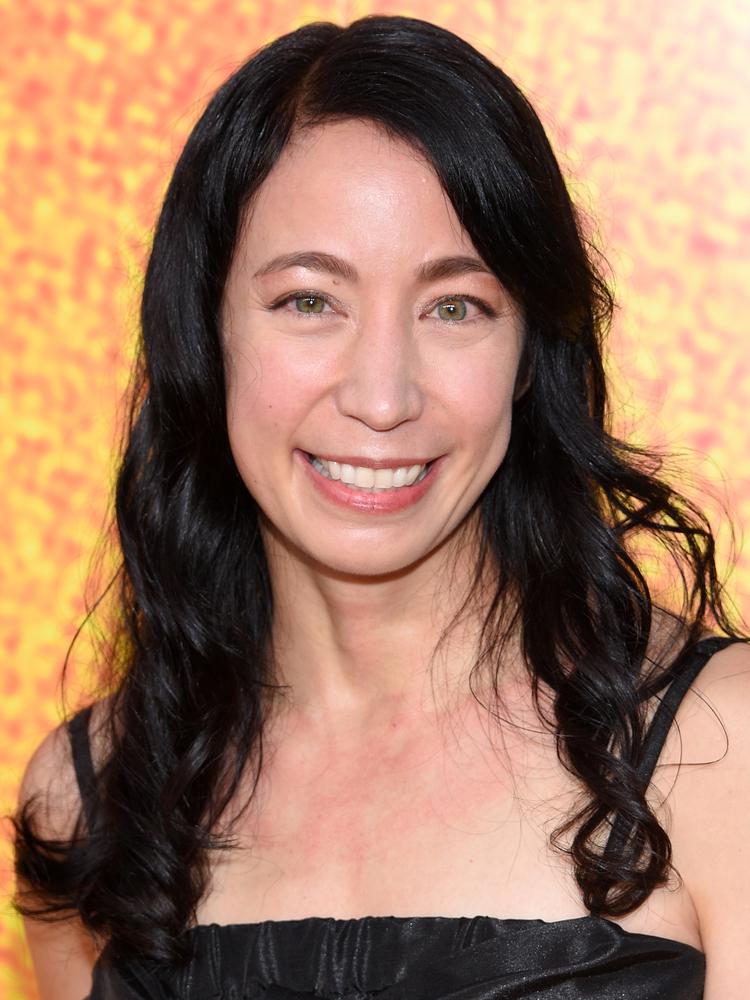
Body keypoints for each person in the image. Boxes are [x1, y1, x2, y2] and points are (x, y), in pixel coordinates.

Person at [13, 14, 750, 1000]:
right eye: (309, 301)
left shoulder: (723, 751)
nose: (383, 396)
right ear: (207, 333)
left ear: (529, 355)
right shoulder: (90, 803)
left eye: (456, 307)